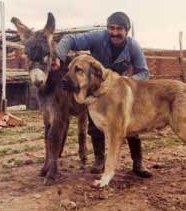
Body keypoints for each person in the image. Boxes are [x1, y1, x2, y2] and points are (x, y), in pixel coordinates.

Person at [55, 11, 152, 178]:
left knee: (130, 126)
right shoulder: (98, 38)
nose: (114, 33)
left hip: (119, 91)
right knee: (95, 125)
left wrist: (126, 81)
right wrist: (58, 55)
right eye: (111, 28)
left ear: (126, 30)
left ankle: (138, 163)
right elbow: (69, 40)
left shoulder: (133, 46)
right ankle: (99, 160)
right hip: (95, 90)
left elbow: (143, 72)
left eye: (119, 29)